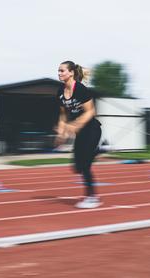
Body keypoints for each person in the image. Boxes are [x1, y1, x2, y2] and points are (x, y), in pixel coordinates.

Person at [55, 61, 102, 209]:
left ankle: (92, 197)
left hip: (92, 129)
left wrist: (76, 125)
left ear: (71, 73)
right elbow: (63, 116)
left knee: (86, 166)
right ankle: (100, 150)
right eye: (58, 71)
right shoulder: (60, 93)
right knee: (77, 168)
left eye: (62, 71)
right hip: (81, 133)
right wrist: (62, 132)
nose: (59, 73)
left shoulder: (80, 89)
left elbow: (90, 111)